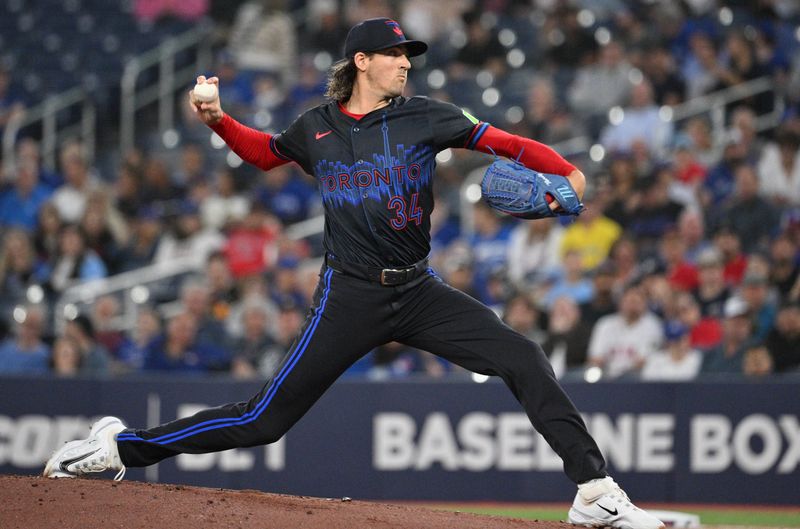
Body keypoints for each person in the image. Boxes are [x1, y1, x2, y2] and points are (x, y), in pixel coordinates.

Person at [43, 18, 663, 529]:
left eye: (408, 55)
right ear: (361, 61)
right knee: (265, 420)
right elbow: (265, 154)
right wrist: (217, 122)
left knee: (522, 356)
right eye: (395, 54)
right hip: (348, 294)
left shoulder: (426, 116)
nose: (406, 63)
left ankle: (594, 491)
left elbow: (509, 145)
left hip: (417, 289)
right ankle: (120, 446)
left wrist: (570, 175)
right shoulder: (317, 126)